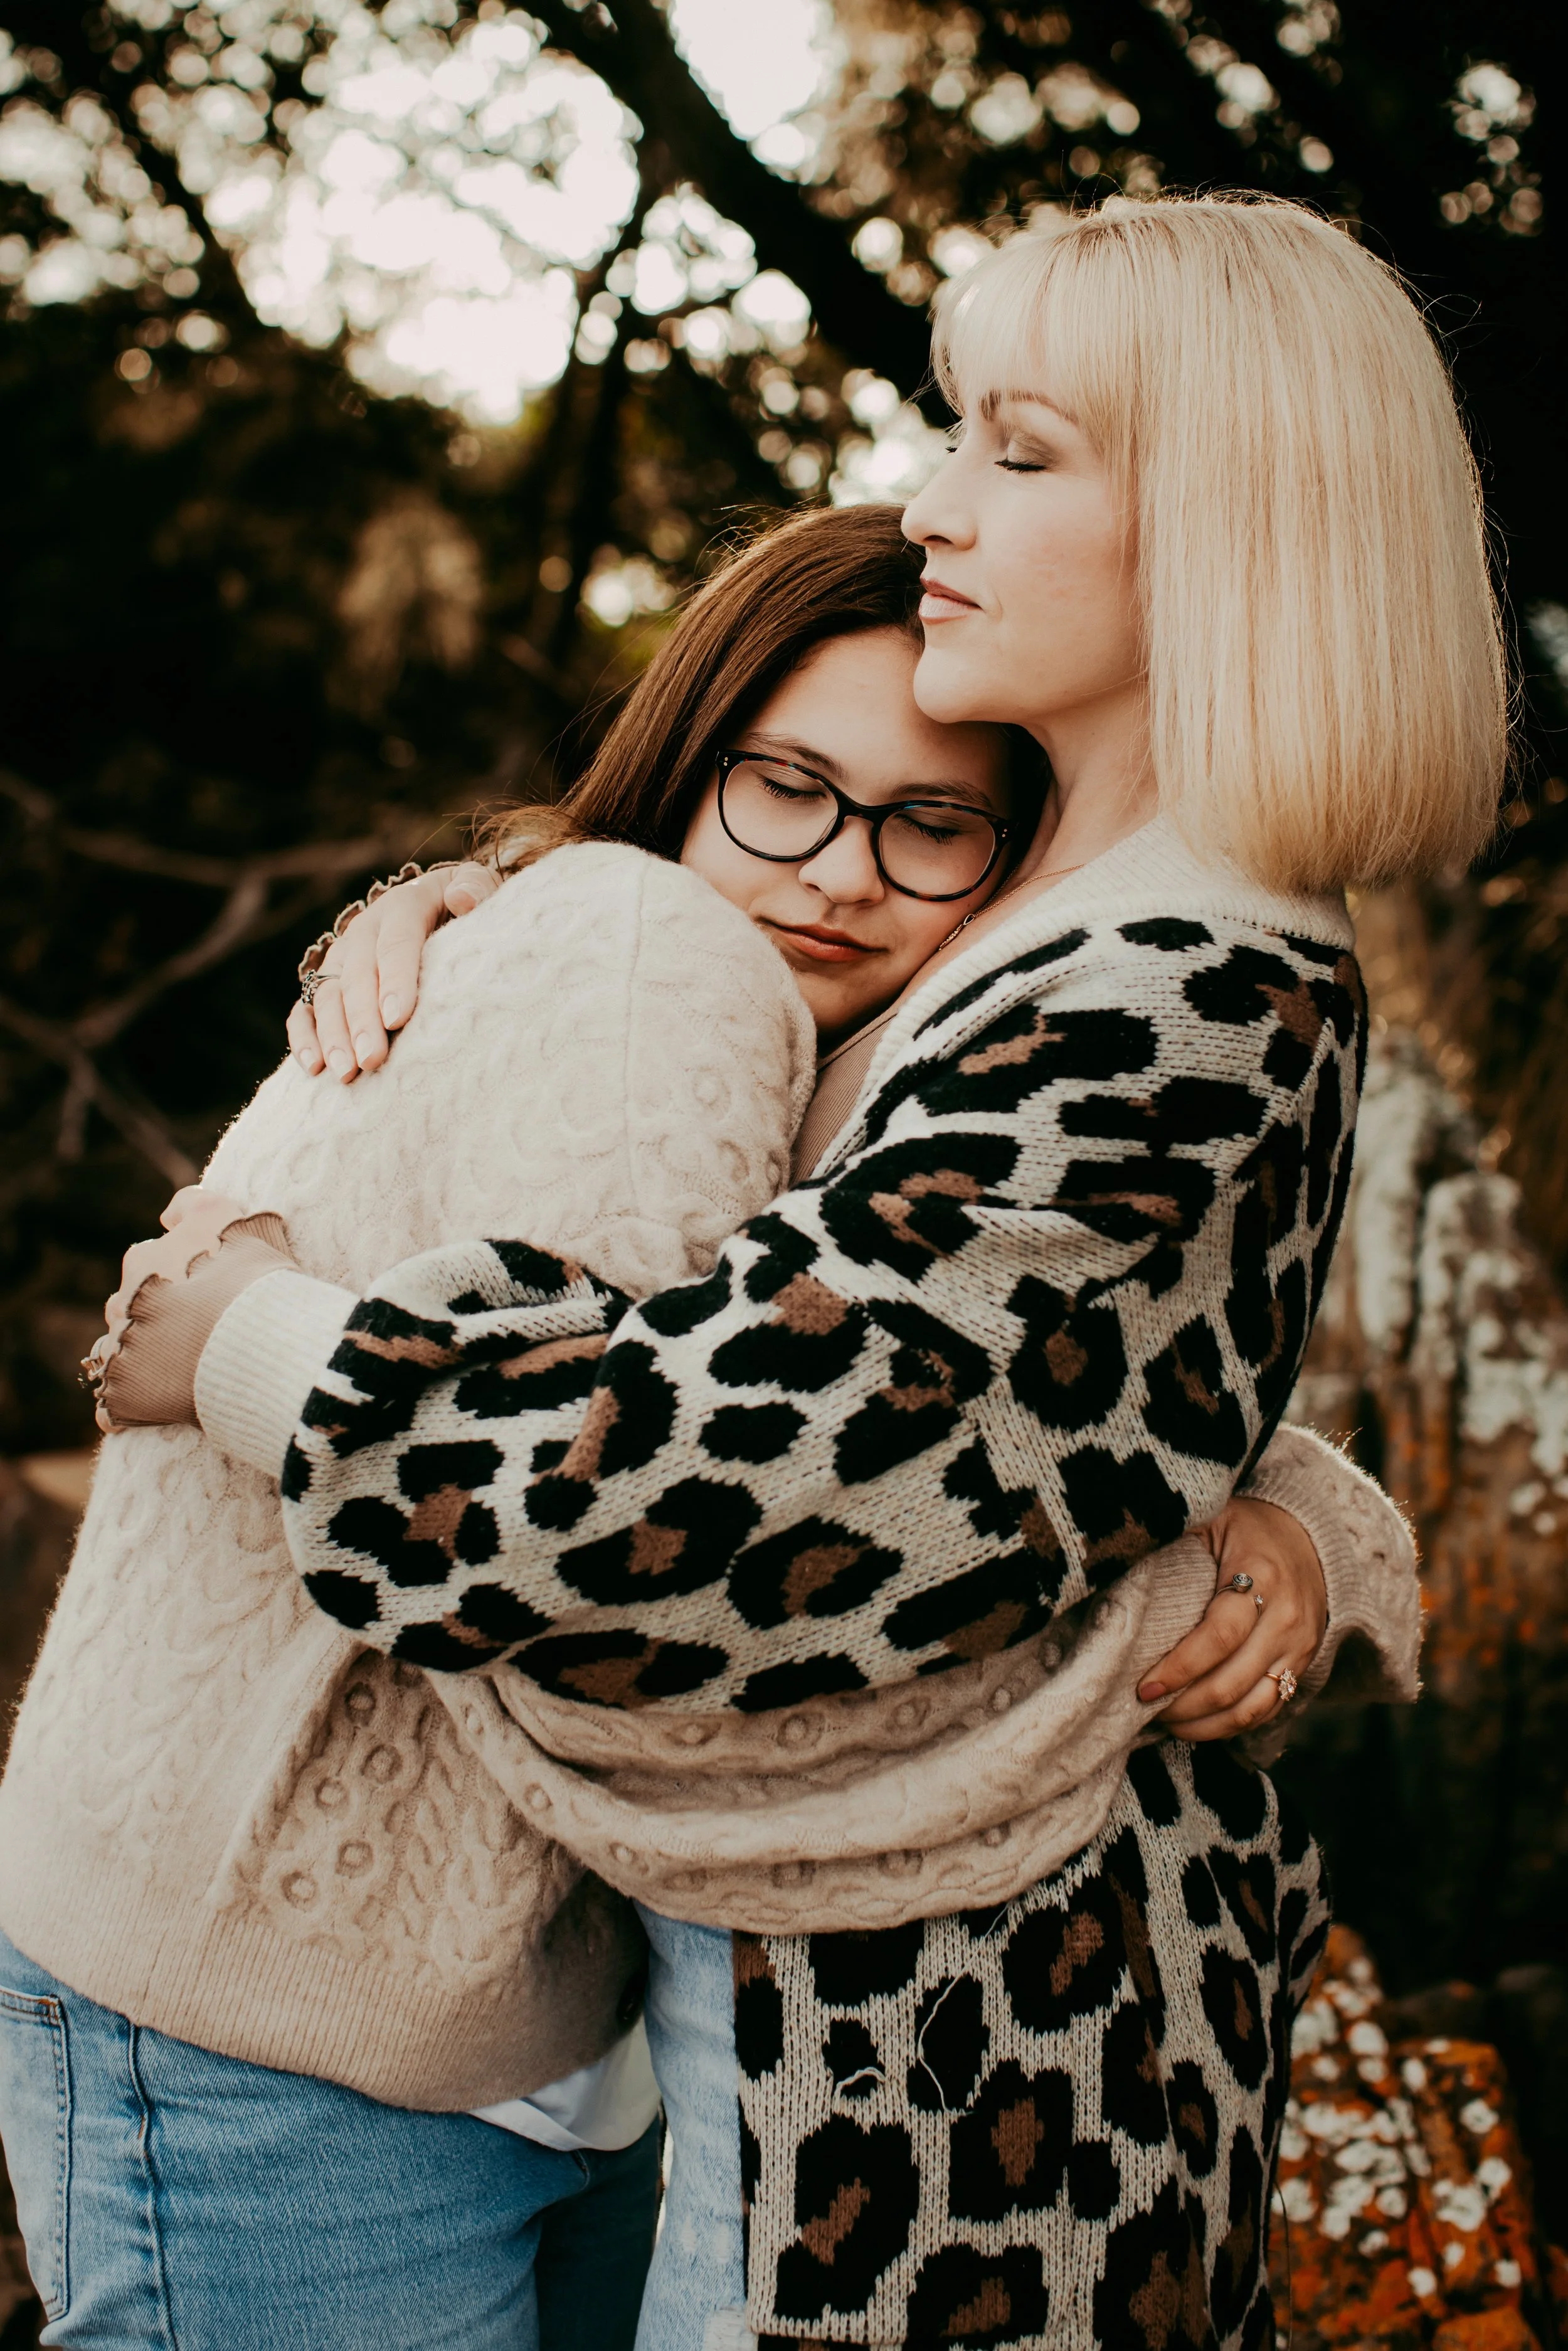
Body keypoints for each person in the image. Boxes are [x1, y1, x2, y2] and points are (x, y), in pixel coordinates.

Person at [1, 186, 1495, 2350]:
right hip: (722, 2034)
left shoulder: (1175, 978)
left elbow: (699, 1511)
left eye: (1018, 447)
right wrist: (511, 895)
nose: (932, 501)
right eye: (956, 433)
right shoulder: (1036, 925)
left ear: (1227, 517)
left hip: (971, 2087)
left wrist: (251, 1340)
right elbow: (942, 1366)